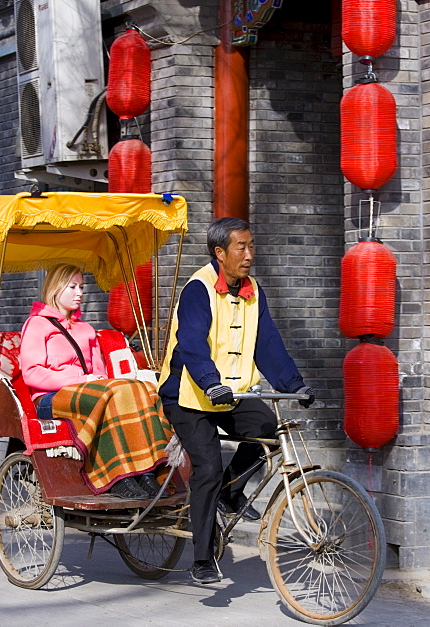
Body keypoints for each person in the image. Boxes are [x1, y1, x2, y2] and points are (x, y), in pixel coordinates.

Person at [159, 217, 315, 585]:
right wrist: (211, 382)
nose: (249, 255)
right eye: (240, 248)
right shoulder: (198, 289)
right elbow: (193, 345)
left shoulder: (253, 290)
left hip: (231, 392)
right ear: (219, 252)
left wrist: (294, 384)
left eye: (251, 246)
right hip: (188, 393)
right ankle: (201, 559)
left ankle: (232, 490)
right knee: (207, 468)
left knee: (268, 429)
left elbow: (268, 343)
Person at [20, 264, 171, 500]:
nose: (79, 292)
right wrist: (81, 379)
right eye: (72, 287)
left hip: (89, 391)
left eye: (81, 286)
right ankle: (118, 476)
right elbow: (32, 373)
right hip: (50, 398)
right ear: (55, 288)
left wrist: (97, 380)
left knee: (140, 388)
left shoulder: (86, 329)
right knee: (109, 393)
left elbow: (99, 374)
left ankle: (147, 470)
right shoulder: (37, 324)